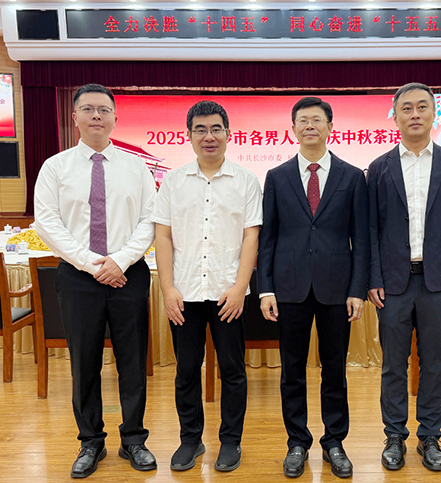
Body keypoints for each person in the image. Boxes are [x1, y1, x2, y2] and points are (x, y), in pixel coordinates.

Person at [34, 83, 157, 478]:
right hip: (78, 277)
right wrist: (92, 264)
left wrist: (119, 261)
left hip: (128, 274)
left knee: (132, 361)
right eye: (88, 109)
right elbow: (47, 223)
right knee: (84, 361)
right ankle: (90, 441)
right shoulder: (55, 167)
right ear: (75, 118)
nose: (97, 116)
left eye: (104, 110)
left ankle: (133, 439)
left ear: (116, 117)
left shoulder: (137, 167)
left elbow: (150, 220)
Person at [258, 97, 369, 478]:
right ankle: (297, 442)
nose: (310, 126)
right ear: (293, 129)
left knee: (334, 371)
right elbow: (268, 238)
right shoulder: (277, 177)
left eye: (317, 120)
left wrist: (357, 289)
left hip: (337, 290)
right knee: (292, 371)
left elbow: (361, 239)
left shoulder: (352, 177)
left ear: (329, 127)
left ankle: (334, 441)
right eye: (303, 120)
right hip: (289, 290)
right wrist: (265, 289)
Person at [152, 100, 261, 473]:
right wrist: (167, 288)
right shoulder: (173, 181)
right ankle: (190, 440)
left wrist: (240, 286)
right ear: (189, 135)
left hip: (228, 293)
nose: (208, 136)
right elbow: (163, 236)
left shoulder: (246, 180)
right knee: (186, 370)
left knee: (232, 370)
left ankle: (230, 441)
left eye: (216, 129)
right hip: (184, 293)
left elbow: (251, 237)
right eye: (200, 129)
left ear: (228, 134)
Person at [367, 83, 441, 472]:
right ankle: (394, 435)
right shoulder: (379, 168)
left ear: (434, 114)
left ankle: (430, 436)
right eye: (406, 108)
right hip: (392, 284)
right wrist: (373, 277)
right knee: (393, 365)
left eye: (422, 107)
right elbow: (370, 230)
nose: (415, 114)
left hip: (438, 282)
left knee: (435, 364)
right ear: (395, 116)